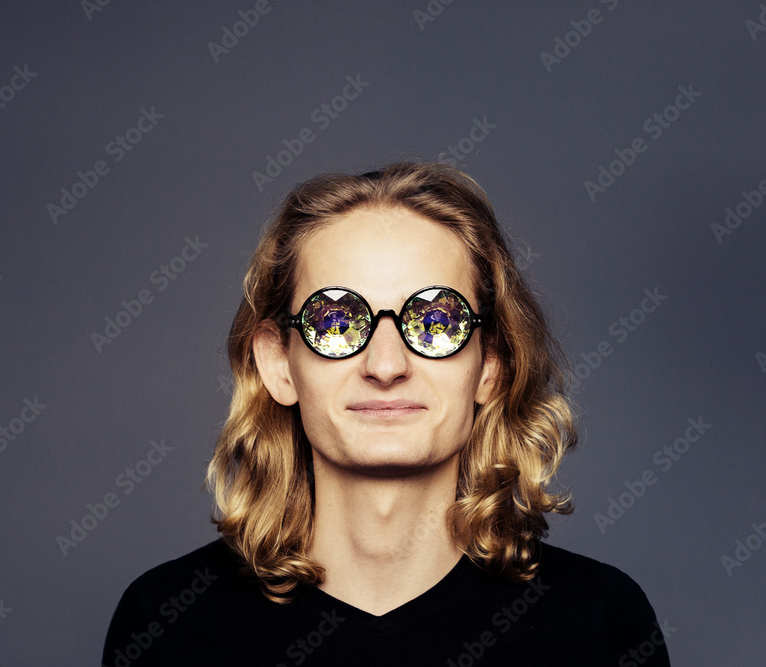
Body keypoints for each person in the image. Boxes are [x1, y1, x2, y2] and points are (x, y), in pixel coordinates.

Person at [102, 161, 672, 666]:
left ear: (491, 363)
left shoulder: (598, 623)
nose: (385, 364)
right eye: (335, 322)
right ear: (279, 364)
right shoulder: (166, 621)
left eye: (437, 321)